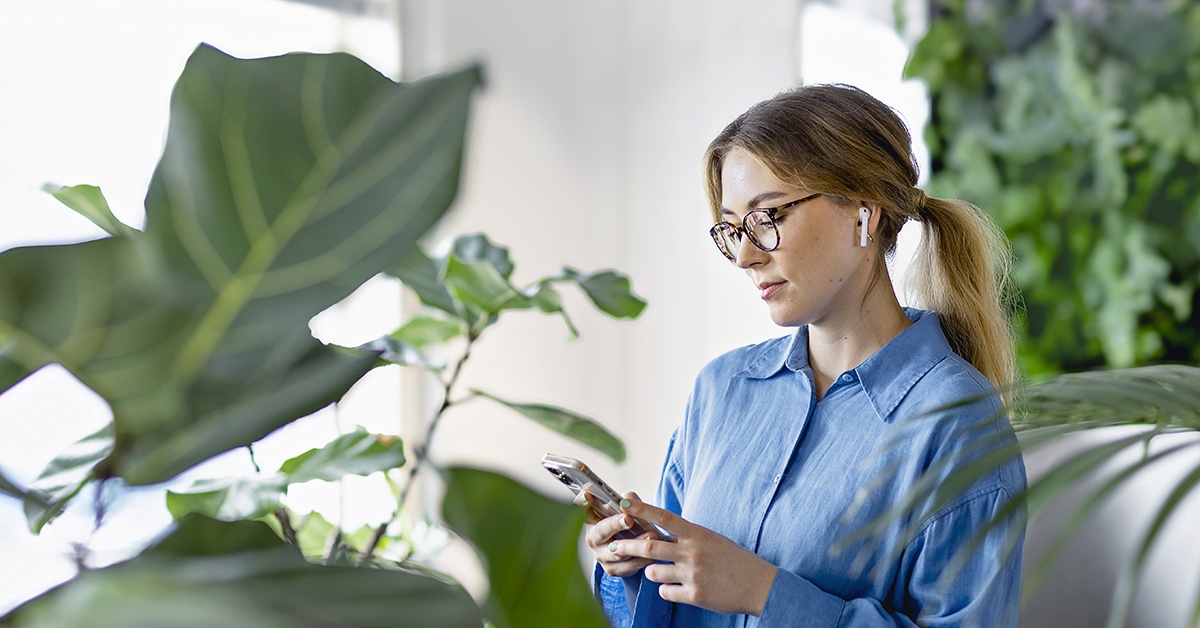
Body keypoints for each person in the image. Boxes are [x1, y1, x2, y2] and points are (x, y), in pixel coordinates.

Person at [583, 84, 1027, 627]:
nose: (745, 255)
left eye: (767, 216)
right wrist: (634, 567)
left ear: (863, 210)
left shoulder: (957, 422)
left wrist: (764, 593)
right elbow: (668, 606)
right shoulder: (722, 389)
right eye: (731, 228)